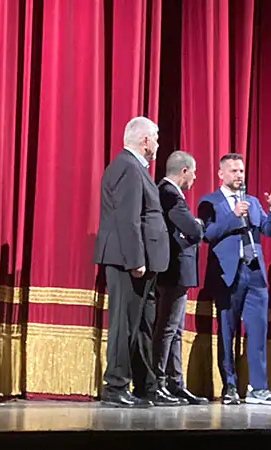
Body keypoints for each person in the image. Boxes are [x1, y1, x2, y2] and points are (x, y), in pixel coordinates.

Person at [93, 116, 180, 407]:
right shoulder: (128, 168)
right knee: (124, 325)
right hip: (128, 261)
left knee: (143, 325)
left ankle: (145, 386)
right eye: (154, 137)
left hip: (143, 261)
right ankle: (115, 386)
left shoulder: (134, 168)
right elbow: (127, 217)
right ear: (144, 141)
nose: (157, 142)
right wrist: (135, 259)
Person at [197, 153, 271, 405]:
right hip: (227, 274)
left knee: (258, 331)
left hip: (255, 273)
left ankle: (259, 389)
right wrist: (234, 215)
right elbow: (208, 234)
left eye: (241, 171)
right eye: (234, 171)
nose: (239, 175)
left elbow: (268, 230)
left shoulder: (252, 201)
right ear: (221, 174)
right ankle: (230, 387)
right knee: (227, 331)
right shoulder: (210, 201)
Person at [153, 150, 209, 405]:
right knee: (167, 328)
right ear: (184, 171)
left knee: (175, 330)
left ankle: (176, 384)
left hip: (178, 272)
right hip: (173, 271)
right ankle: (158, 382)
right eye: (194, 172)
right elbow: (193, 230)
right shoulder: (170, 193)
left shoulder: (170, 193)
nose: (195, 178)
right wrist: (196, 225)